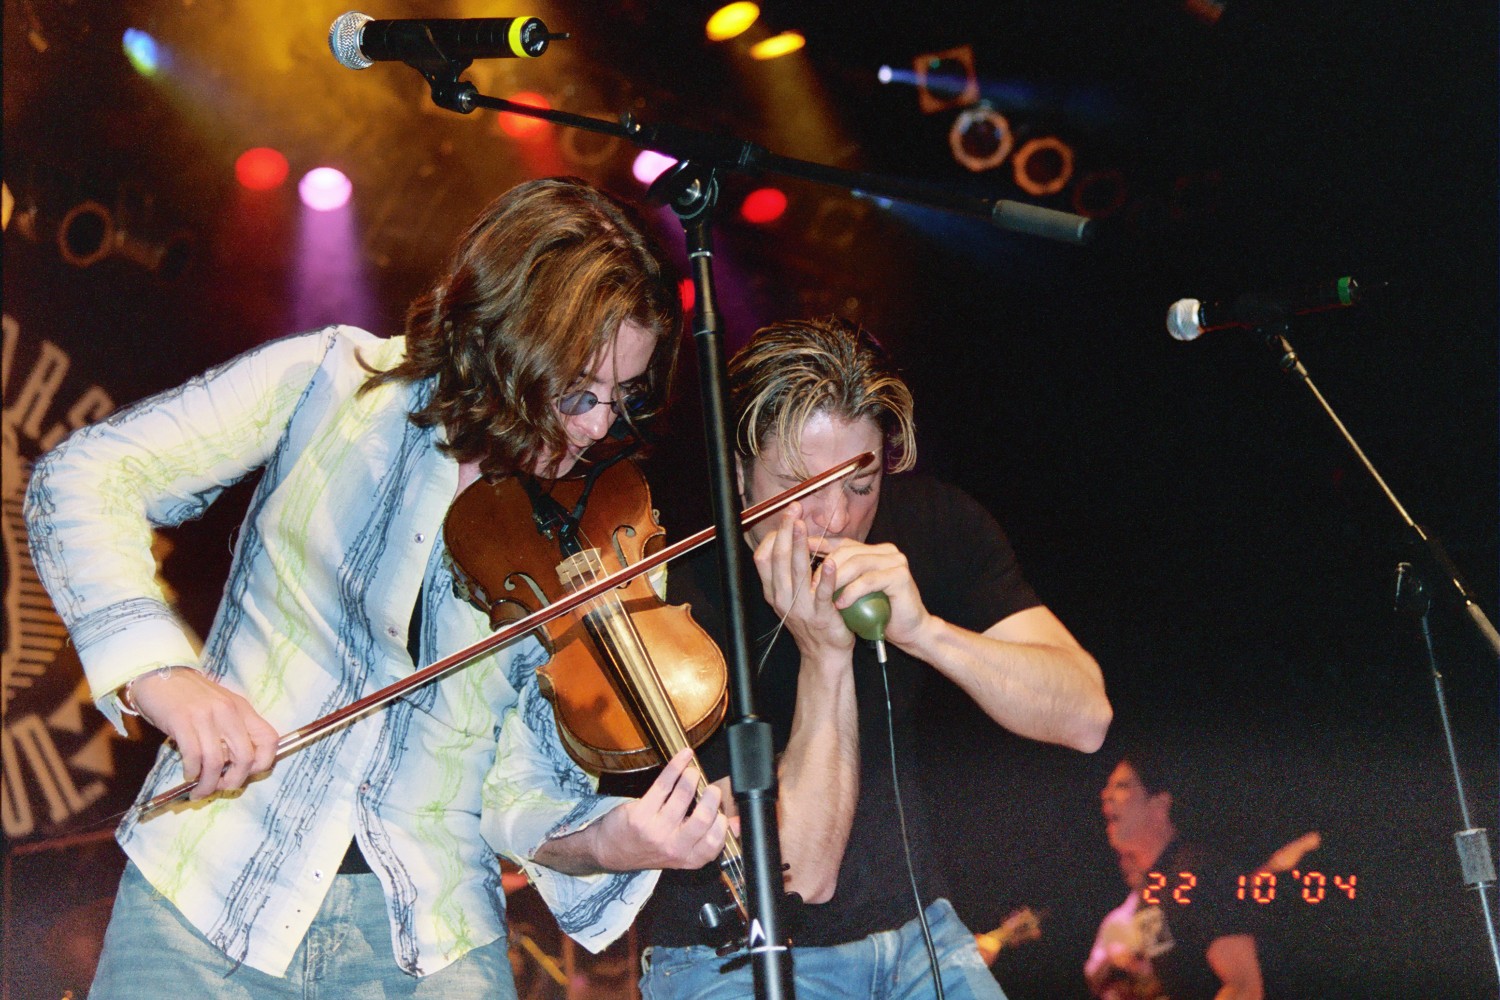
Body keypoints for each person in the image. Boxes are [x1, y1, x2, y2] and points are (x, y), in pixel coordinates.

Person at [23, 177, 731, 997]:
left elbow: (521, 793)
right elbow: (84, 478)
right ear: (502, 340)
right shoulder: (332, 380)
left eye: (621, 397)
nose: (599, 426)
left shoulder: (602, 537)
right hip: (206, 895)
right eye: (577, 389)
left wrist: (609, 843)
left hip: (433, 941)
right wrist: (160, 673)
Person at [632, 317, 1113, 999]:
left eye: (859, 485)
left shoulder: (932, 522)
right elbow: (805, 876)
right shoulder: (675, 597)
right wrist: (824, 656)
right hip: (730, 956)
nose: (834, 518)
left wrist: (925, 632)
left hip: (917, 934)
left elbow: (1087, 716)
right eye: (799, 487)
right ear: (739, 473)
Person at [1086, 754, 1270, 1000]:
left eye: (1122, 785)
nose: (1105, 795)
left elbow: (1245, 988)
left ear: (1159, 805)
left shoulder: (1200, 873)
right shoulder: (1149, 897)